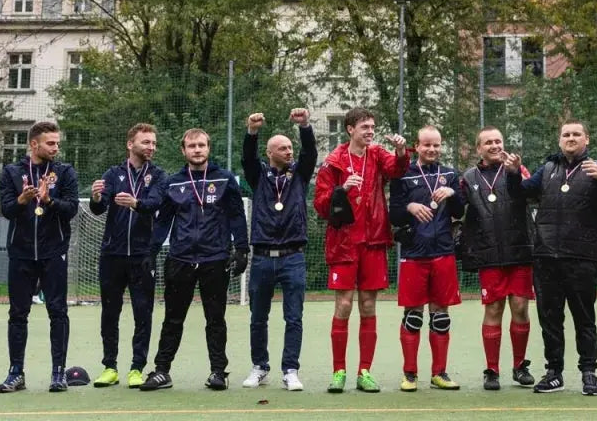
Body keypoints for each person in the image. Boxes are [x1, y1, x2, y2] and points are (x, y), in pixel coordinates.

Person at [510, 120, 597, 396]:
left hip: (581, 256)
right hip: (546, 257)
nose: (571, 138)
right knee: (550, 319)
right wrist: (512, 174)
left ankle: (589, 373)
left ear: (586, 139)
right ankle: (554, 372)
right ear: (559, 141)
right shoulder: (547, 169)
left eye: (576, 134)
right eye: (566, 134)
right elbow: (519, 193)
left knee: (584, 318)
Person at [139, 128, 250, 391]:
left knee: (215, 319)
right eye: (192, 146)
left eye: (201, 145)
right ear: (183, 150)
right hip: (180, 259)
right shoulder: (174, 182)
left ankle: (218, 372)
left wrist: (242, 249)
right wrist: (151, 251)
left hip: (215, 259)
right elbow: (164, 220)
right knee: (172, 319)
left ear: (209, 148)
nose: (197, 150)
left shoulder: (224, 179)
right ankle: (162, 371)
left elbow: (236, 215)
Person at [312, 108, 408, 393]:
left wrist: (402, 152)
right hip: (343, 243)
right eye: (364, 126)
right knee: (343, 305)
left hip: (374, 241)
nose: (370, 131)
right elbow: (320, 204)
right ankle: (338, 371)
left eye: (372, 126)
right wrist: (341, 189)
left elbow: (397, 170)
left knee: (368, 305)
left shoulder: (377, 155)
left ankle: (364, 371)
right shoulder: (333, 162)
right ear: (349, 129)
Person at [0, 121, 81, 394]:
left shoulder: (65, 172)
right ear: (34, 144)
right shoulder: (11, 172)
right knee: (18, 314)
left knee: (58, 311)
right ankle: (16, 373)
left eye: (57, 143)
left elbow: (71, 210)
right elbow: (6, 210)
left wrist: (48, 201)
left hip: (53, 252)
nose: (56, 148)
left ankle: (59, 373)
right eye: (50, 143)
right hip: (20, 253)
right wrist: (22, 200)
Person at [240, 109, 317, 392]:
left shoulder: (299, 175)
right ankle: (259, 367)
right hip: (261, 258)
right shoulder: (259, 176)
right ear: (270, 153)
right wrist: (252, 132)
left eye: (290, 147)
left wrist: (305, 127)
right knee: (258, 318)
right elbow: (248, 157)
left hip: (293, 257)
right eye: (283, 148)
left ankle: (290, 370)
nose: (289, 151)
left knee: (293, 317)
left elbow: (310, 153)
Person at [89, 123, 167, 389]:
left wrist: (137, 204)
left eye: (153, 143)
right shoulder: (113, 173)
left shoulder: (157, 175)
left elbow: (156, 203)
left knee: (142, 313)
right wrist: (96, 196)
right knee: (110, 312)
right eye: (146, 142)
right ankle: (110, 367)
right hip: (112, 254)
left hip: (143, 255)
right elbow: (99, 209)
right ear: (130, 144)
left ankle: (136, 368)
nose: (151, 147)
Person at [458, 127, 536, 390]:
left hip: (519, 251)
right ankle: (492, 370)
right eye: (488, 142)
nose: (494, 145)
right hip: (489, 254)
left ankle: (519, 366)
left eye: (498, 141)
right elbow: (458, 208)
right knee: (493, 309)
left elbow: (531, 194)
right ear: (478, 148)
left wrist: (516, 171)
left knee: (521, 308)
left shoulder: (516, 169)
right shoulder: (468, 177)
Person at [390, 126, 465, 391]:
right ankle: (409, 374)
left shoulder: (450, 175)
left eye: (436, 145)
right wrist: (409, 206)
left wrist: (453, 193)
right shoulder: (403, 174)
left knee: (441, 316)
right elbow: (395, 215)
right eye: (426, 145)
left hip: (443, 252)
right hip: (414, 253)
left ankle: (439, 373)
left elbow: (460, 209)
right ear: (417, 146)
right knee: (413, 316)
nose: (432, 149)